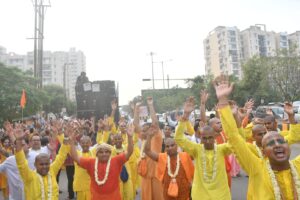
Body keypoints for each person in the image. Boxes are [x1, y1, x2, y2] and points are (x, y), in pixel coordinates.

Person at [214, 74, 300, 200]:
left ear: (288, 145)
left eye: (281, 141)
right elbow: (235, 138)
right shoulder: (257, 167)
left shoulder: (297, 165)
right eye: (270, 144)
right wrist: (223, 102)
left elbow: (294, 135)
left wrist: (291, 117)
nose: (277, 145)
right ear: (263, 151)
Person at [174, 97, 232, 200]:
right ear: (201, 138)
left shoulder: (222, 149)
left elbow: (237, 142)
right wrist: (185, 115)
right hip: (200, 195)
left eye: (210, 137)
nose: (208, 141)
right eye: (204, 138)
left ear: (215, 136)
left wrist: (232, 116)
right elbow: (178, 138)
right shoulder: (197, 149)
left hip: (221, 195)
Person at [70, 124, 134, 200]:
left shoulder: (116, 161)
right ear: (96, 154)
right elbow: (75, 157)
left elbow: (129, 152)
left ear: (110, 153)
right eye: (101, 152)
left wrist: (130, 137)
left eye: (107, 152)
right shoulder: (91, 162)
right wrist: (71, 141)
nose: (104, 154)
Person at [15, 127, 71, 200]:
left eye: (47, 164)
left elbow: (61, 157)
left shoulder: (52, 171)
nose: (44, 166)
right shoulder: (29, 176)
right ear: (35, 165)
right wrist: (18, 140)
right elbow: (21, 163)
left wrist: (66, 139)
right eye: (41, 164)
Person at [145, 126, 194, 200]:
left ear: (176, 146)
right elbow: (148, 151)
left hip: (184, 193)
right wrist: (149, 137)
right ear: (165, 148)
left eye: (172, 145)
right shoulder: (162, 157)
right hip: (168, 193)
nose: (170, 148)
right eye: (167, 146)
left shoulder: (185, 156)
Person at [73, 136, 92, 200]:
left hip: (91, 186)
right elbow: (67, 148)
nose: (85, 144)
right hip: (80, 187)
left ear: (90, 143)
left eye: (87, 142)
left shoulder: (94, 153)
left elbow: (102, 141)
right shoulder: (77, 154)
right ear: (80, 144)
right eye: (83, 143)